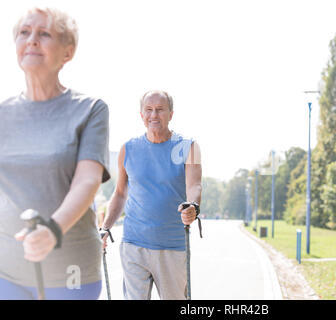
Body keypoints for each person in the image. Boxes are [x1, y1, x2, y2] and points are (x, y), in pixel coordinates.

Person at [0, 7, 110, 300]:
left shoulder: (90, 110)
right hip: (7, 271)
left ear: (67, 52)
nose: (32, 40)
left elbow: (88, 181)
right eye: (24, 32)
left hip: (70, 269)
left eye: (44, 34)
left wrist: (52, 230)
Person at [101, 90, 202, 300]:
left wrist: (193, 206)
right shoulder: (128, 149)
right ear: (141, 115)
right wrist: (105, 228)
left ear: (171, 114)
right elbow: (120, 194)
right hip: (134, 244)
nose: (154, 115)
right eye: (148, 110)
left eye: (160, 110)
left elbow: (195, 186)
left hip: (172, 246)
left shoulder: (188, 147)